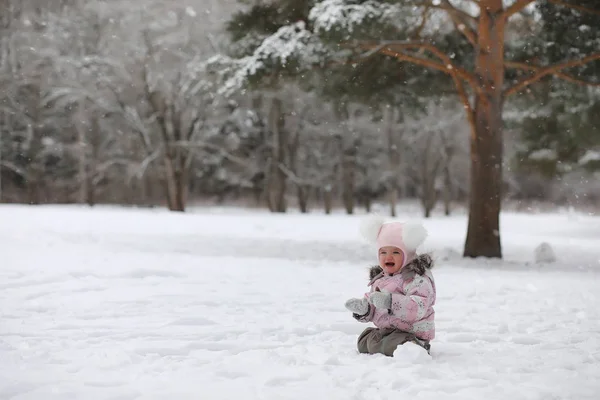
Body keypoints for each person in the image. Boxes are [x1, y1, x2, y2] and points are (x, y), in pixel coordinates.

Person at [345, 216, 436, 357]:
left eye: (395, 252)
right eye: (383, 252)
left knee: (391, 344)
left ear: (407, 254)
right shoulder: (381, 279)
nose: (388, 257)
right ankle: (386, 345)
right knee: (364, 341)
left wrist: (390, 301)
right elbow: (375, 306)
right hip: (388, 331)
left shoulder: (416, 278)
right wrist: (365, 310)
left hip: (411, 332)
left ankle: (415, 347)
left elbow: (418, 307)